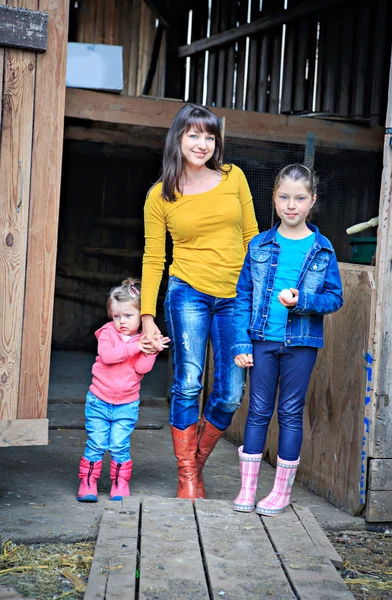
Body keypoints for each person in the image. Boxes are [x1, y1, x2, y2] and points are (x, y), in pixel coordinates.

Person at [141, 103, 259, 500]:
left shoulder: (233, 177)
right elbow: (154, 257)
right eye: (194, 135)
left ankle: (196, 462)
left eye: (209, 136)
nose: (202, 143)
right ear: (177, 138)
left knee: (229, 392)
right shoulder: (160, 196)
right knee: (188, 383)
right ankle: (187, 476)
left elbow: (253, 238)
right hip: (187, 291)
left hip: (236, 298)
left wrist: (257, 295)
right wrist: (146, 317)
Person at [231, 164, 343, 516]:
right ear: (274, 199)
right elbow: (242, 297)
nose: (291, 205)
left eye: (299, 198)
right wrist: (241, 343)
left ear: (312, 201)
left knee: (290, 412)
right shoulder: (259, 244)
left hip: (301, 344)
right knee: (258, 411)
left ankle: (280, 493)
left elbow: (335, 298)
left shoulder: (323, 250)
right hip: (262, 340)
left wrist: (304, 302)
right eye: (284, 197)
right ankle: (247, 490)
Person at [76, 278, 169, 502]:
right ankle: (87, 482)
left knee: (119, 444)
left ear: (142, 317)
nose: (121, 321)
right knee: (96, 442)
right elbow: (107, 356)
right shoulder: (107, 333)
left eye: (128, 316)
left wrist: (151, 351)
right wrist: (134, 347)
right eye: (117, 316)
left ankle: (120, 483)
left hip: (126, 404)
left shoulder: (142, 340)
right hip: (99, 400)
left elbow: (140, 369)